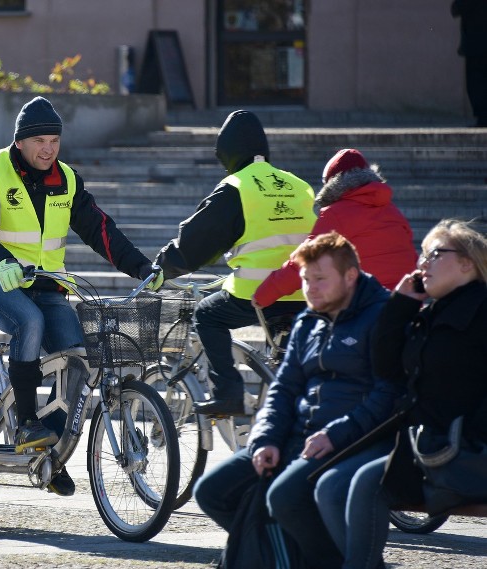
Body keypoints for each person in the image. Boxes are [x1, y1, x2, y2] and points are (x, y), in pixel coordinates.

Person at [0, 96, 162, 496]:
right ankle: (26, 422)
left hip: (48, 285)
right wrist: (1, 261)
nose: (48, 149)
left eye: (54, 141)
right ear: (20, 142)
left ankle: (48, 452)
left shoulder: (66, 179)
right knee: (28, 323)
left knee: (77, 356)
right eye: (40, 141)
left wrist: (142, 266)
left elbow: (99, 229)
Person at [193, 232, 401, 569]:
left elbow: (388, 394)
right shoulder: (307, 320)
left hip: (352, 441)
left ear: (350, 276)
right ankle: (286, 554)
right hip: (296, 437)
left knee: (285, 497)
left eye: (320, 279)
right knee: (211, 492)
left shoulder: (382, 316)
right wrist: (266, 438)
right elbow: (283, 389)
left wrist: (335, 434)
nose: (310, 288)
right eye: (305, 279)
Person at [324, 219, 487, 569]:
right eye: (422, 255)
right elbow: (386, 369)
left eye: (434, 254)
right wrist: (400, 306)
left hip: (468, 449)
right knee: (331, 484)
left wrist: (468, 436)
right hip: (427, 445)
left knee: (366, 483)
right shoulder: (430, 311)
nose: (422, 263)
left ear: (467, 262)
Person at [155, 109, 316, 416]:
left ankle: (229, 393)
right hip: (305, 289)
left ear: (227, 153)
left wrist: (163, 267)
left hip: (255, 291)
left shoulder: (237, 187)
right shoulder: (299, 185)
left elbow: (197, 243)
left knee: (207, 315)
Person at [254, 148, 416, 307]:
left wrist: (264, 295)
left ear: (332, 184)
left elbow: (306, 259)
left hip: (365, 306)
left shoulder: (336, 214)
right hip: (404, 301)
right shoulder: (392, 211)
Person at [452, 0, 487, 127]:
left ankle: (483, 118)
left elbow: (457, 8)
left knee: (476, 82)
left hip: (476, 44)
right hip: (476, 43)